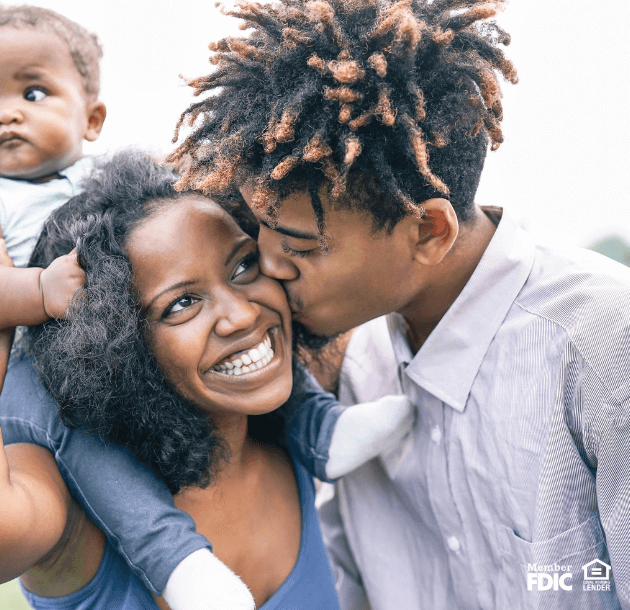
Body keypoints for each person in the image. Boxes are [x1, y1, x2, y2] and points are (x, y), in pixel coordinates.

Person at [168, 0, 630, 608]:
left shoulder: (602, 344)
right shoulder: (351, 363)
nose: (269, 267)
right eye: (260, 228)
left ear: (428, 233)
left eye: (303, 246)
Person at [0, 152, 413, 609]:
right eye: (182, 304)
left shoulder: (284, 427)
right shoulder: (74, 508)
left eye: (243, 267)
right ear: (116, 345)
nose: (239, 315)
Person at [0, 6, 248, 606]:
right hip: (37, 367)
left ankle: (322, 431)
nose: (5, 111)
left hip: (129, 347)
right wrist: (38, 290)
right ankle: (178, 564)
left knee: (248, 331)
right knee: (81, 433)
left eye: (34, 90)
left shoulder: (112, 176)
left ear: (92, 118)